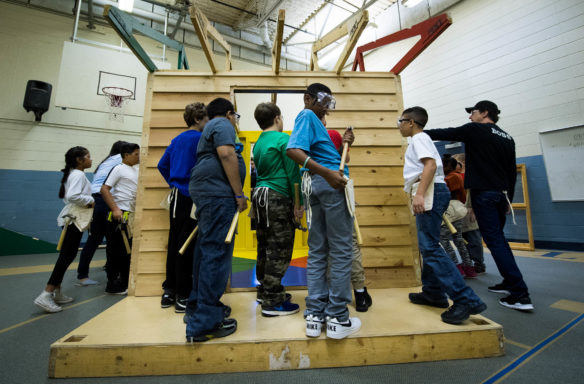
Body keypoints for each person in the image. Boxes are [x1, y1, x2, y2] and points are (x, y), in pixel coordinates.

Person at [425, 100, 533, 311]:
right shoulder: (507, 138)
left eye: (473, 112)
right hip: (501, 195)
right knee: (499, 240)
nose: (470, 117)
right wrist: (508, 200)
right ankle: (510, 282)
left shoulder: (476, 129)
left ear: (484, 113)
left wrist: (419, 131)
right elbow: (511, 172)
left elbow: (447, 132)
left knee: (495, 242)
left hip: (485, 194)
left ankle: (521, 295)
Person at [286, 83, 360, 339]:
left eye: (330, 100)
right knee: (340, 251)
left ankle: (315, 316)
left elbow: (322, 153)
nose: (326, 105)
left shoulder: (317, 123)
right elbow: (293, 150)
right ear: (307, 98)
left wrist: (344, 144)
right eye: (322, 99)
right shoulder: (306, 114)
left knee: (318, 251)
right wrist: (329, 174)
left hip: (316, 186)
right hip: (330, 184)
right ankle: (338, 317)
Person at [399, 106, 486, 325]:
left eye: (400, 121)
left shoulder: (419, 139)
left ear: (410, 122)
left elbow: (429, 165)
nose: (399, 126)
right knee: (429, 244)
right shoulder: (421, 139)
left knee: (429, 246)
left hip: (429, 191)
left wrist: (419, 194)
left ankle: (465, 299)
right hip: (433, 191)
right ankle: (433, 292)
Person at [185, 98, 246, 342]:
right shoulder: (222, 123)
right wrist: (239, 193)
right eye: (236, 116)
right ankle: (204, 323)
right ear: (230, 113)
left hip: (208, 191)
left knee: (205, 251)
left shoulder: (211, 126)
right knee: (216, 254)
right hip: (217, 193)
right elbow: (227, 153)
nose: (236, 121)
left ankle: (197, 309)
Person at [252, 102, 303, 317]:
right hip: (277, 196)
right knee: (279, 248)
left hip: (259, 195)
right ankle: (272, 302)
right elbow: (293, 175)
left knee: (264, 245)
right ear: (277, 118)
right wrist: (298, 205)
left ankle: (265, 290)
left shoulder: (258, 142)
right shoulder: (283, 139)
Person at [158, 102, 208, 313]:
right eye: (206, 119)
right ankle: (183, 295)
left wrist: (174, 182)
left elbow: (162, 164)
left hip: (176, 195)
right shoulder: (200, 139)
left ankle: (169, 290)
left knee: (174, 242)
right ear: (198, 119)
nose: (208, 124)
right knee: (186, 245)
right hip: (191, 195)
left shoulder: (177, 139)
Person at [34, 146, 95, 313]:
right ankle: (46, 294)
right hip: (74, 219)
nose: (91, 159)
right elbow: (72, 196)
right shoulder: (78, 174)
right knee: (66, 256)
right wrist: (91, 201)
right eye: (88, 157)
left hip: (74, 219)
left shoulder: (74, 174)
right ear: (79, 160)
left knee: (67, 255)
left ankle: (57, 291)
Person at [327, 127, 372, 312]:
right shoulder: (333, 134)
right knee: (349, 245)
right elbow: (343, 159)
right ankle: (360, 294)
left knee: (325, 247)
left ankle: (331, 295)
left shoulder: (307, 134)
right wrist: (345, 146)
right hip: (339, 189)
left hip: (315, 191)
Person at [76, 140, 126, 286]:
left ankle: (82, 274)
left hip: (96, 200)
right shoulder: (120, 159)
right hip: (106, 200)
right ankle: (112, 274)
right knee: (113, 239)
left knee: (94, 239)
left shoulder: (106, 161)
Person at [101, 143, 140, 295]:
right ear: (126, 155)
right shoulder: (118, 168)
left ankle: (124, 282)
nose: (138, 157)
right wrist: (115, 209)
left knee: (127, 251)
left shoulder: (136, 169)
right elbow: (104, 189)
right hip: (119, 215)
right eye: (136, 154)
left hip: (131, 214)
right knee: (115, 251)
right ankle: (112, 283)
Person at [440, 155, 477, 278]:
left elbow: (442, 192)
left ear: (447, 166)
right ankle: (468, 267)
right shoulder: (457, 176)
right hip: (458, 210)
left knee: (444, 239)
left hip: (450, 211)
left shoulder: (450, 178)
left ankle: (456, 267)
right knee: (459, 240)